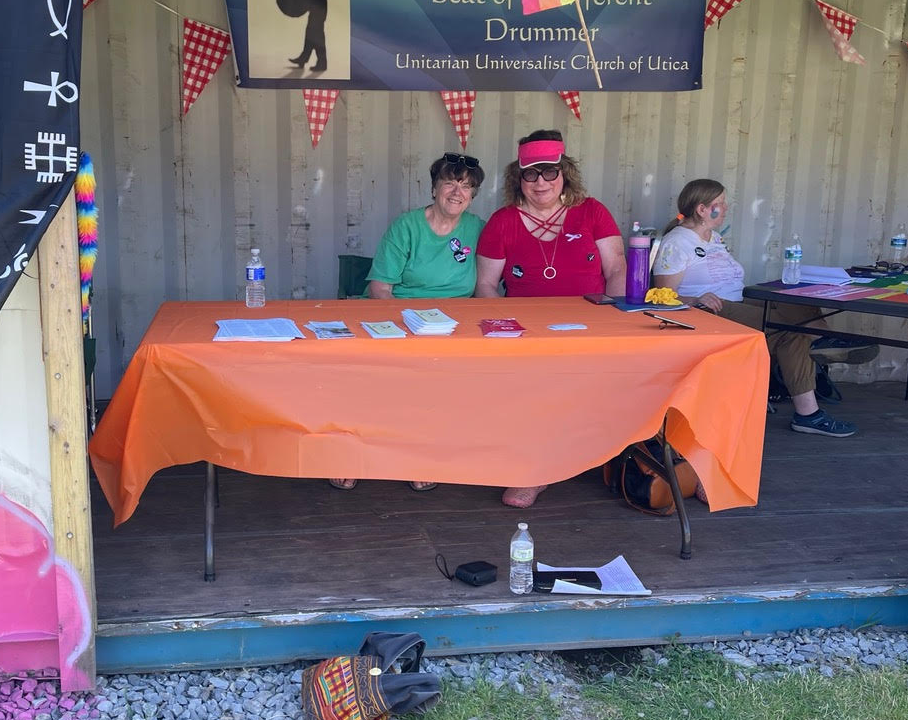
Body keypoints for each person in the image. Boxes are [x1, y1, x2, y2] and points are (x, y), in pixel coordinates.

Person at [475, 129, 625, 508]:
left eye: (549, 172)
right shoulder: (502, 221)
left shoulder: (592, 211)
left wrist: (614, 318)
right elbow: (487, 286)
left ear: (565, 175)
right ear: (518, 178)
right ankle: (538, 470)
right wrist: (506, 331)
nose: (540, 181)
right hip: (527, 332)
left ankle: (660, 462)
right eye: (531, 173)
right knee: (535, 384)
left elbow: (617, 268)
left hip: (592, 324)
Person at [329, 151, 486, 492]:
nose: (457, 192)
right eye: (450, 183)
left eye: (466, 186)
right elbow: (379, 288)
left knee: (448, 382)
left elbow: (489, 282)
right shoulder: (407, 226)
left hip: (451, 325)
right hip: (396, 315)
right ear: (434, 188)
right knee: (369, 374)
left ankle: (422, 456)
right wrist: (409, 328)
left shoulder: (478, 229)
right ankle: (350, 454)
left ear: (473, 195)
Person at [651, 178, 856, 438]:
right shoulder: (677, 241)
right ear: (702, 209)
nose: (725, 209)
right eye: (720, 204)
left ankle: (824, 347)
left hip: (736, 300)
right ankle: (815, 387)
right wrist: (693, 300)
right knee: (788, 330)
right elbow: (663, 295)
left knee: (797, 307)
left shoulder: (713, 237)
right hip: (709, 311)